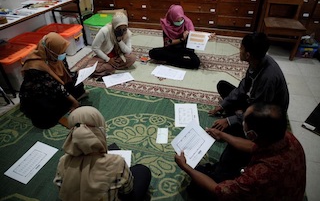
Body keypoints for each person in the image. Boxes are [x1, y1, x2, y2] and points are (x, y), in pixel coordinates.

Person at [175, 103, 306, 201]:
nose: (242, 122)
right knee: (233, 144)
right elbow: (251, 146)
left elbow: (218, 191)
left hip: (259, 190)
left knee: (196, 186)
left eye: (244, 121)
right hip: (276, 189)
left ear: (253, 134)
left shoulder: (259, 175)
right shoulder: (287, 137)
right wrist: (222, 134)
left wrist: (186, 167)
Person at [206, 32, 290, 181]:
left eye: (241, 48)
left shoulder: (268, 78)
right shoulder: (257, 61)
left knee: (234, 133)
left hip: (267, 115)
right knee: (223, 86)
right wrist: (223, 105)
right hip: (255, 101)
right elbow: (243, 86)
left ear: (248, 54)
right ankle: (235, 115)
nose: (239, 50)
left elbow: (257, 111)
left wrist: (229, 120)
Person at [53, 106, 151, 201]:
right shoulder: (116, 162)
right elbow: (127, 191)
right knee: (142, 170)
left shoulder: (63, 162)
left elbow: (62, 190)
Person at [19, 32, 87, 129]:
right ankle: (65, 105)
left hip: (57, 86)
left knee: (78, 84)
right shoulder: (35, 66)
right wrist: (74, 102)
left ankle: (66, 104)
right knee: (47, 115)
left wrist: (77, 74)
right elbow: (55, 87)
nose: (63, 54)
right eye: (60, 51)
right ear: (50, 50)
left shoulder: (55, 55)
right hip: (41, 94)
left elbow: (66, 73)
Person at [149, 4, 214, 69]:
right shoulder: (167, 26)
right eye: (177, 21)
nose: (180, 22)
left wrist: (206, 38)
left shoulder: (187, 22)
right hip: (172, 48)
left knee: (196, 62)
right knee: (152, 53)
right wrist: (182, 38)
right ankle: (176, 60)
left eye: (181, 20)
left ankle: (170, 61)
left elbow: (194, 37)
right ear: (172, 18)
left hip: (185, 49)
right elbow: (168, 43)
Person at [89, 11, 136, 77]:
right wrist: (108, 59)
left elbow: (128, 51)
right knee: (92, 68)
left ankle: (110, 68)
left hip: (117, 57)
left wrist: (119, 41)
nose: (122, 32)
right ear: (114, 26)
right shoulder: (105, 31)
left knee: (132, 58)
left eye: (124, 29)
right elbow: (94, 47)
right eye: (119, 29)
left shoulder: (127, 33)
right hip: (104, 56)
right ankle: (110, 67)